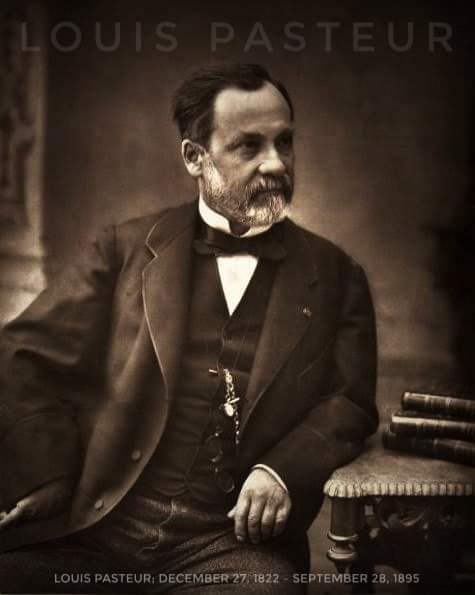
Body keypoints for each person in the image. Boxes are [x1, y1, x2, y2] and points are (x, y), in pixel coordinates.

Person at [0, 63, 378, 593]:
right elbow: (21, 354)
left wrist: (283, 471)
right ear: (195, 158)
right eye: (249, 146)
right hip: (100, 527)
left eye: (285, 142)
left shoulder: (337, 275)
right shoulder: (124, 250)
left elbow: (350, 401)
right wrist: (51, 473)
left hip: (231, 546)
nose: (276, 163)